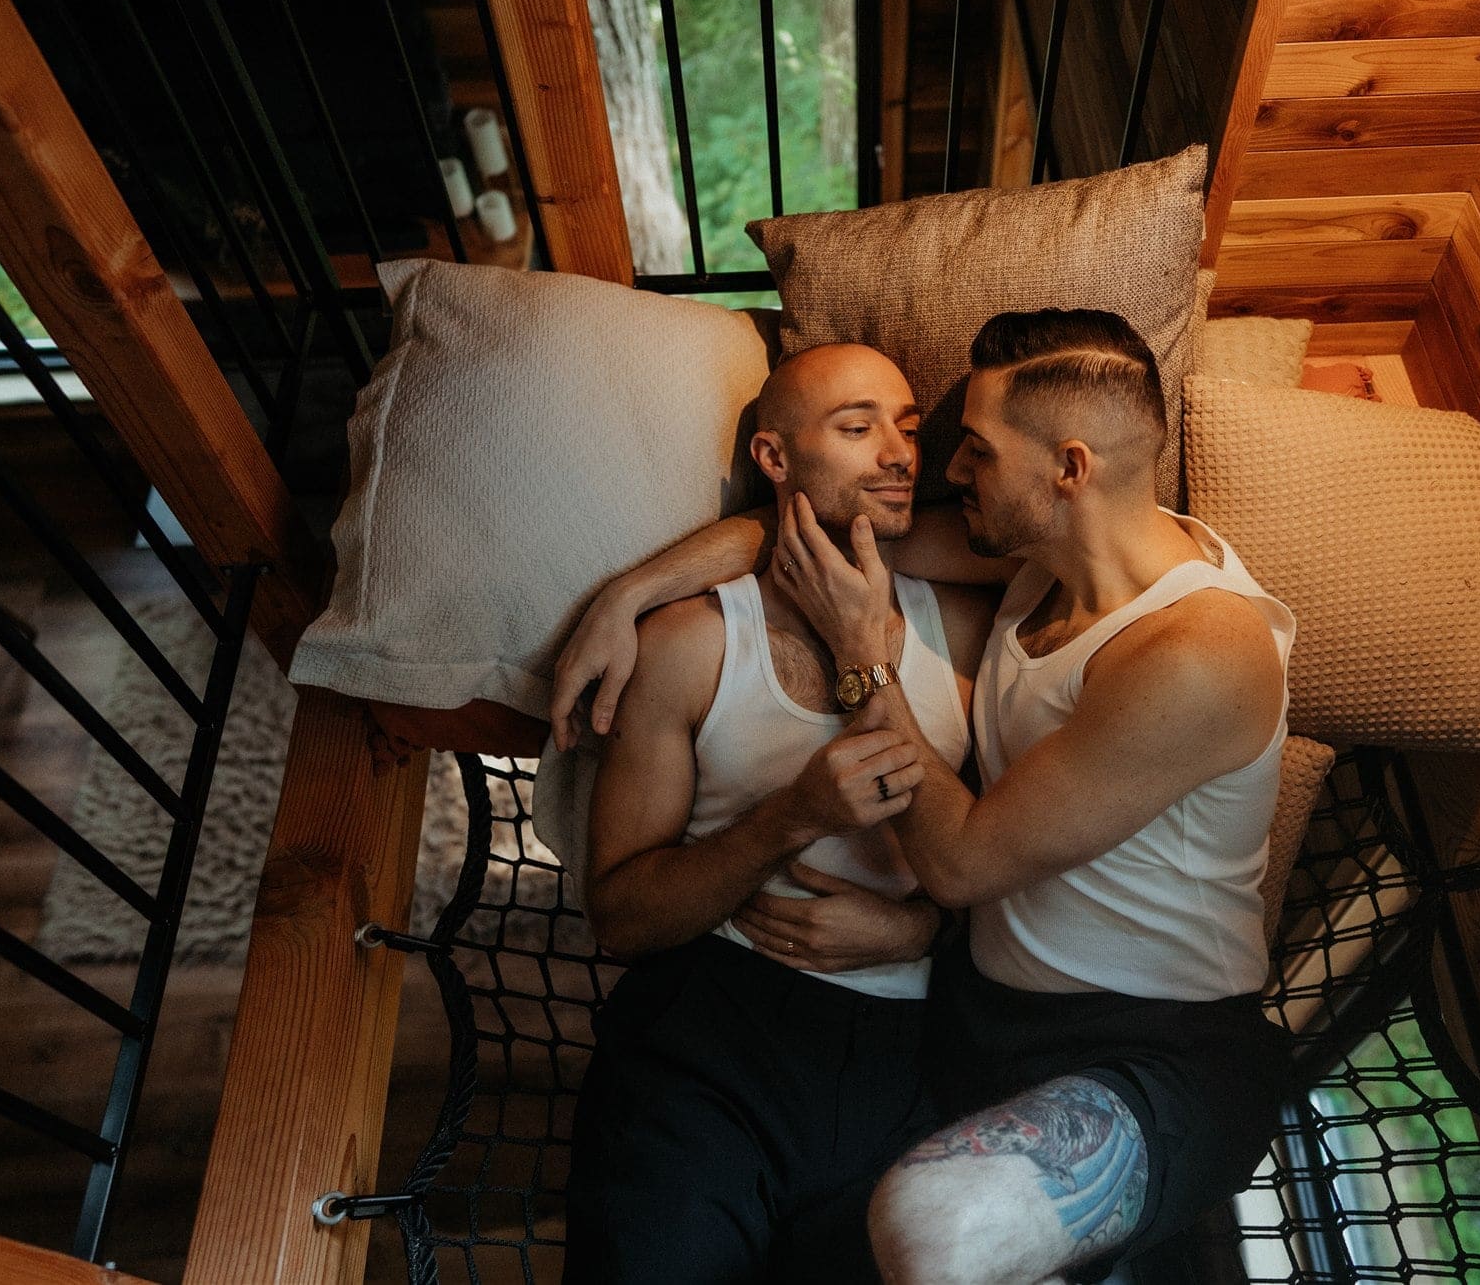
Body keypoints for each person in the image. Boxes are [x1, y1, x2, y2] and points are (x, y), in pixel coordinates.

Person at [554, 309, 1297, 1284]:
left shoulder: (1200, 651)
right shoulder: (1034, 563)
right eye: (869, 428)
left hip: (1145, 1049)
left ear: (1068, 470)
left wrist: (865, 658)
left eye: (973, 450)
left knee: (932, 1225)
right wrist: (625, 595)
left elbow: (960, 864)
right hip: (956, 1033)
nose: (939, 465)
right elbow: (814, 533)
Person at [562, 343, 993, 1284]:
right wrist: (789, 818)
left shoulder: (966, 631)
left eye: (908, 428)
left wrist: (928, 928)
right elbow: (620, 916)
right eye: (857, 427)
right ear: (773, 457)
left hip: (914, 1054)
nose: (900, 453)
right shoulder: (690, 645)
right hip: (714, 1031)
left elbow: (1026, 853)